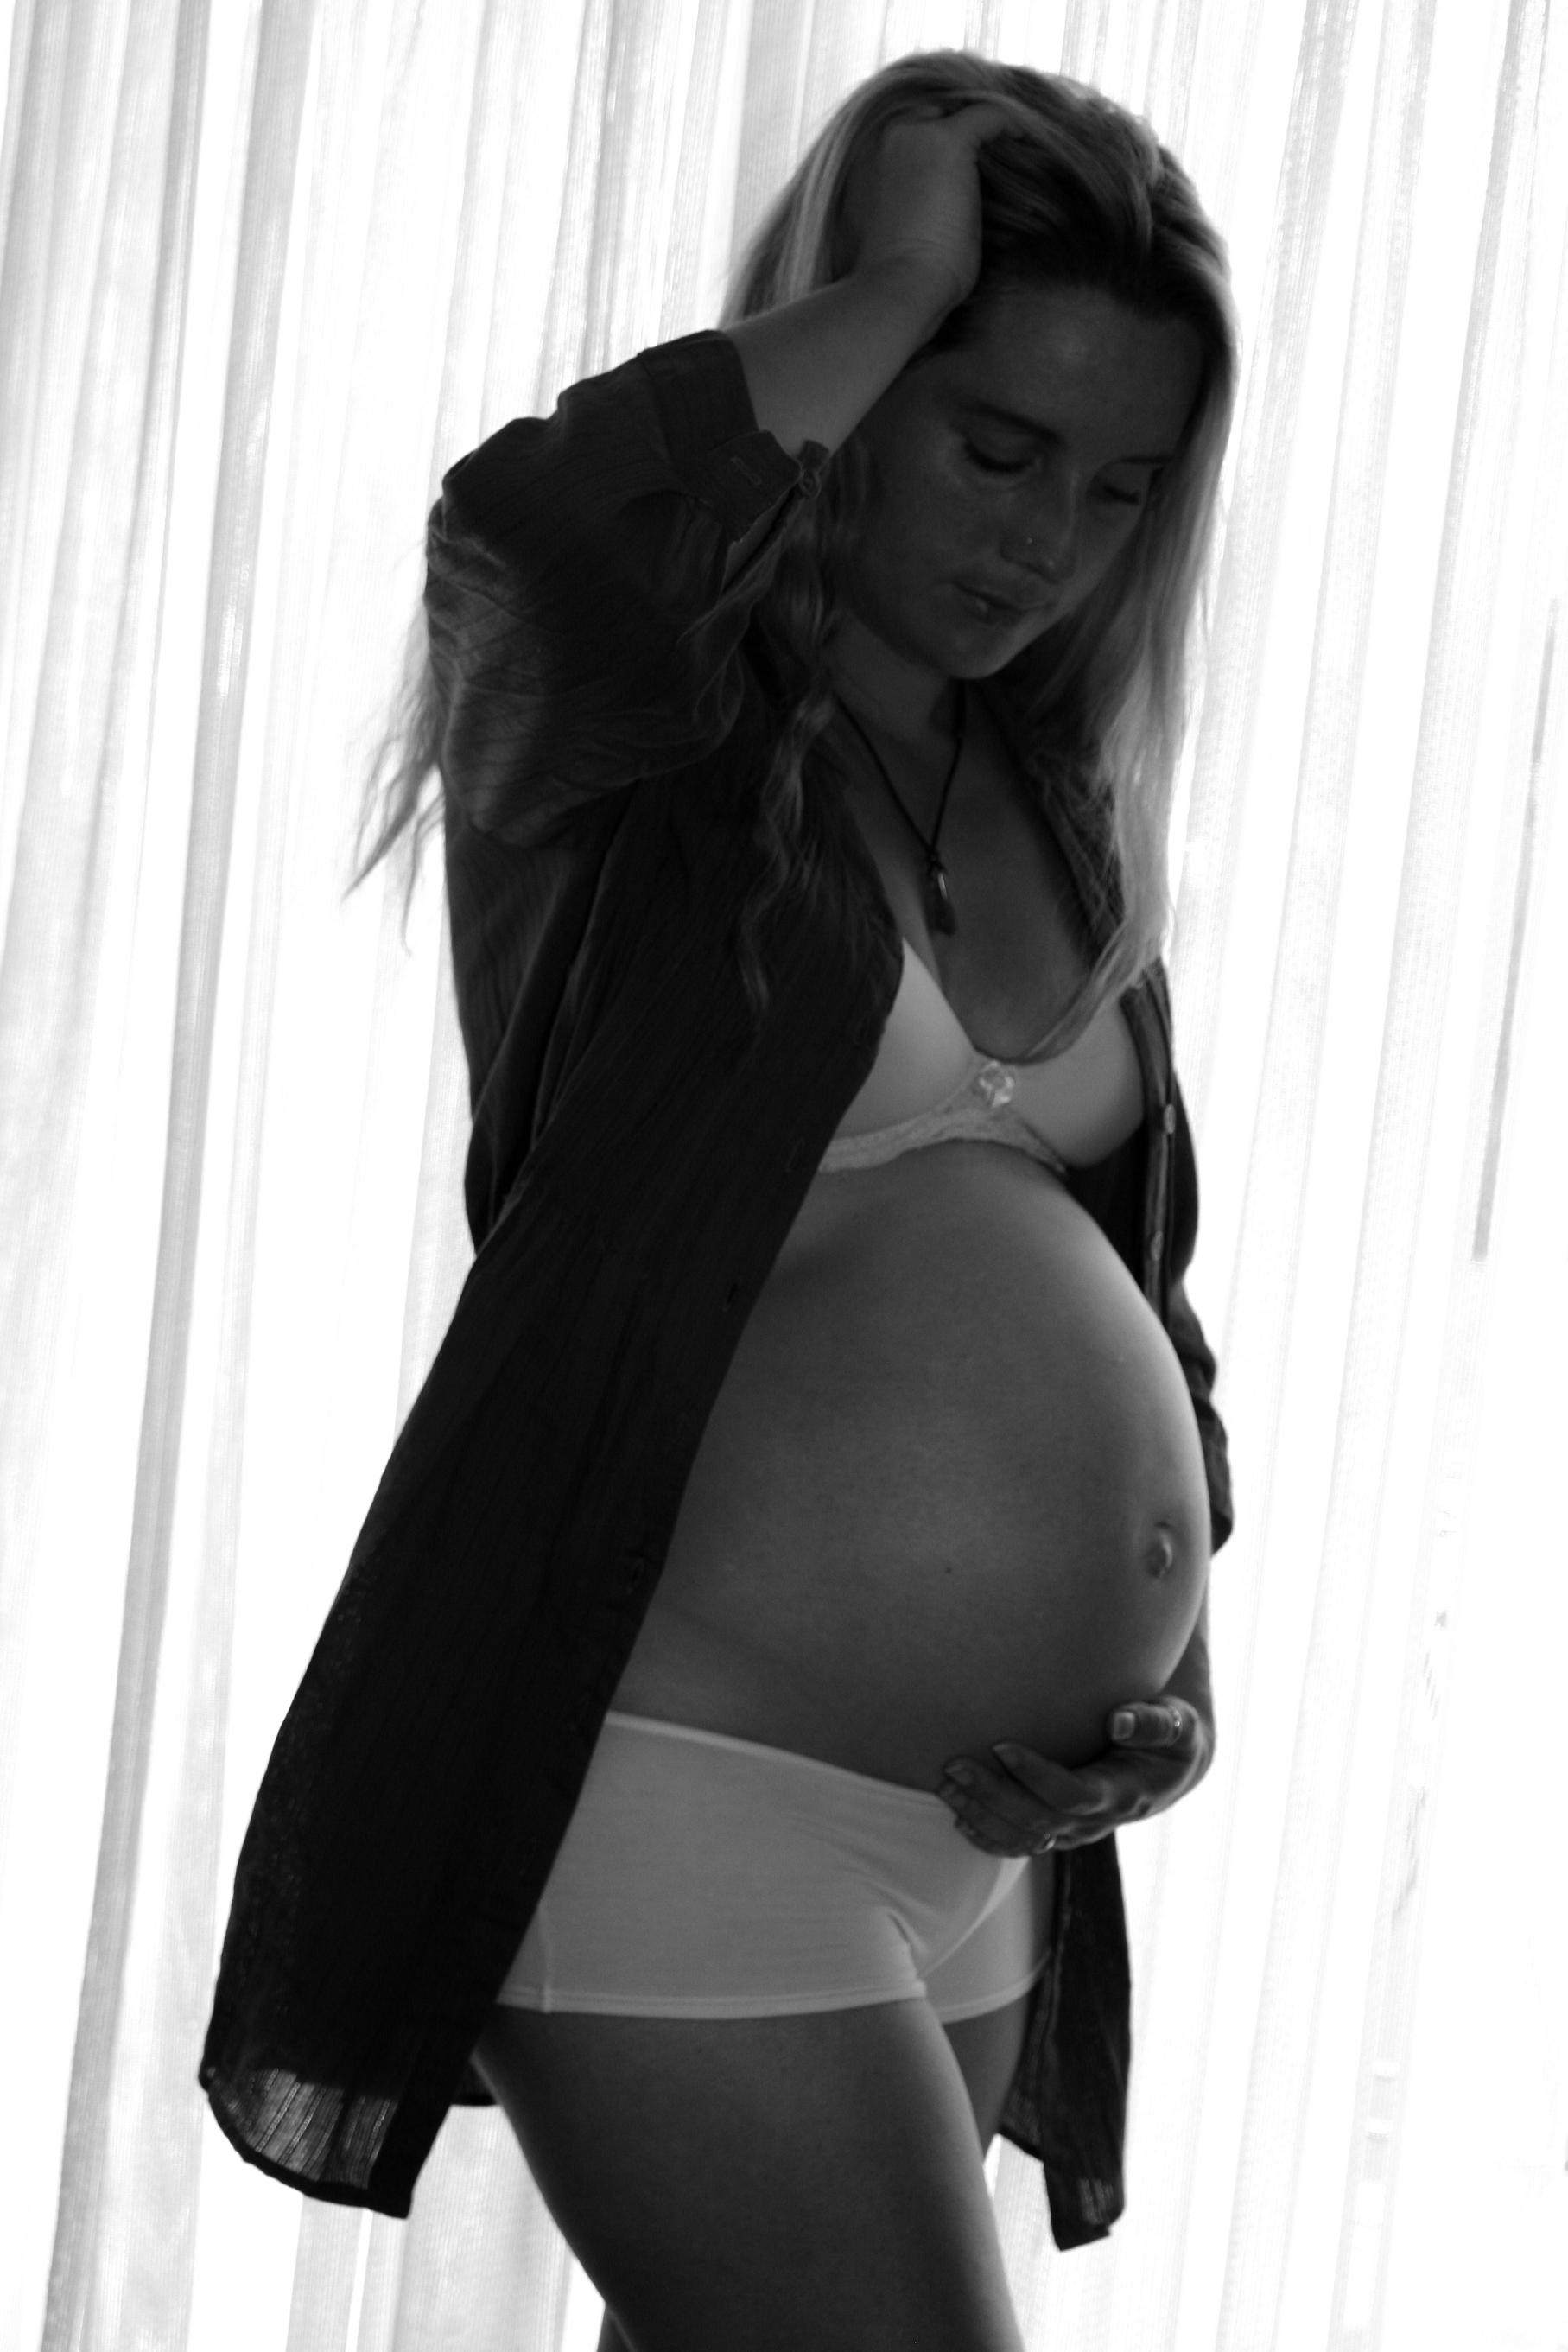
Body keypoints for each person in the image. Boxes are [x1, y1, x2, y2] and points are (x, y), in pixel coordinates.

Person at [199, 48, 1237, 2352]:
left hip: (987, 1848)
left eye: (1118, 488)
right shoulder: (638, 743)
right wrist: (893, 279)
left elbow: (1137, 1309)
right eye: (994, 445)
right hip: (678, 1782)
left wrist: (1166, 1676)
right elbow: (537, 529)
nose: (1045, 544)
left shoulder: (1060, 801)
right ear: (864, 374)